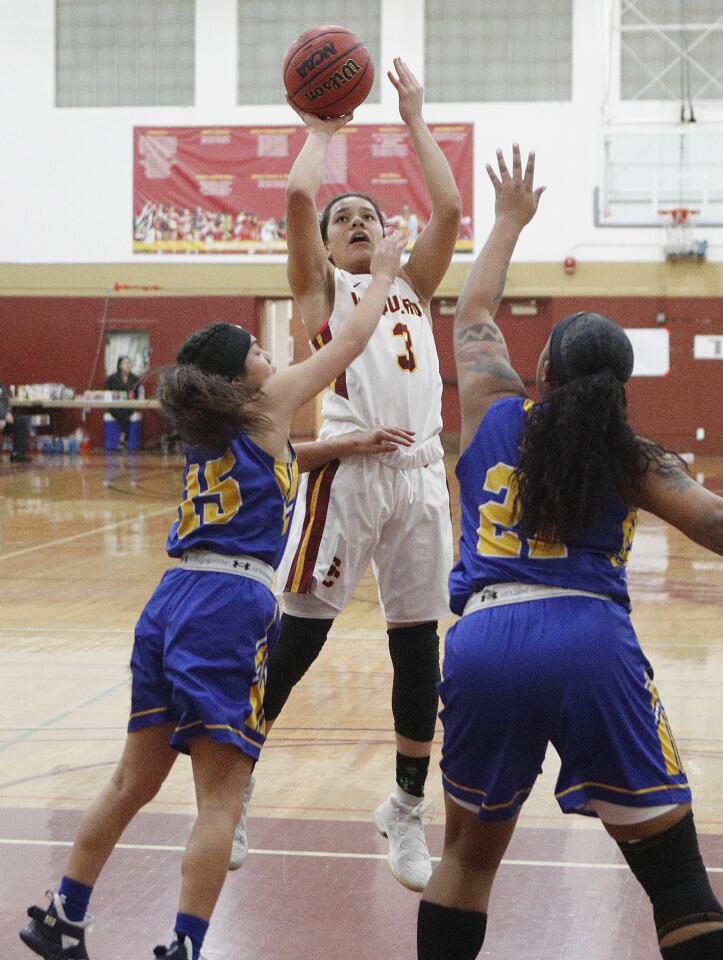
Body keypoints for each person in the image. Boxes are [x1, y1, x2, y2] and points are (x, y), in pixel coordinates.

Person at [19, 230, 408, 960]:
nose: (272, 358)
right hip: (228, 609)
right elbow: (349, 341)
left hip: (171, 599)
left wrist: (342, 447)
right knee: (222, 799)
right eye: (259, 353)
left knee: (132, 779)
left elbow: (283, 459)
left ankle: (62, 916)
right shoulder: (267, 403)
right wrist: (381, 274)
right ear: (241, 375)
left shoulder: (219, 426)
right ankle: (187, 946)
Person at [417, 145, 723, 960]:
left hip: (483, 641)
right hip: (587, 644)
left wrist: (510, 220)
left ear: (542, 368)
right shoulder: (635, 456)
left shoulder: (488, 406)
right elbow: (716, 527)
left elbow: (472, 308)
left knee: (464, 862)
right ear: (620, 388)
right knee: (677, 881)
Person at [232, 58, 462, 892]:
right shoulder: (322, 287)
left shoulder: (411, 287)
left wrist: (413, 118)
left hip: (421, 478)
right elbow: (297, 202)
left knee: (417, 652)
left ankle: (403, 807)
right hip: (348, 478)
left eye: (370, 214)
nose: (359, 221)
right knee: (296, 641)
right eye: (347, 219)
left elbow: (448, 208)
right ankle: (238, 777)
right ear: (328, 248)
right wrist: (322, 133)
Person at [106, 356, 141, 448]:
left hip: (129, 405)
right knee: (123, 412)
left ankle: (122, 438)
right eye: (125, 363)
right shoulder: (112, 378)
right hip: (115, 405)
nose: (127, 365)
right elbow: (108, 393)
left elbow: (137, 394)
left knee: (127, 411)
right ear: (120, 365)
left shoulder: (135, 378)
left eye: (129, 363)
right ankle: (123, 438)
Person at [0, 381, 31, 462]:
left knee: (20, 421)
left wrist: (7, 413)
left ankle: (18, 454)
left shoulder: (0, 386)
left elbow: (6, 401)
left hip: (3, 419)